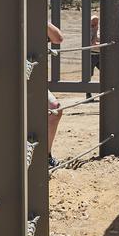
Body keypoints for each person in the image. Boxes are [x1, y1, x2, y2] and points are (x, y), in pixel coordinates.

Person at [47, 21, 64, 168]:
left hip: (30, 79)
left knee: (55, 109)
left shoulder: (33, 17)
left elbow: (57, 38)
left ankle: (45, 155)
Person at [86, 14, 101, 99]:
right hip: (91, 55)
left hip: (100, 55)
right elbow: (92, 44)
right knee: (88, 75)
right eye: (93, 21)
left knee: (106, 73)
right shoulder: (90, 31)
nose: (95, 23)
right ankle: (88, 94)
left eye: (96, 21)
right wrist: (95, 31)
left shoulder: (100, 30)